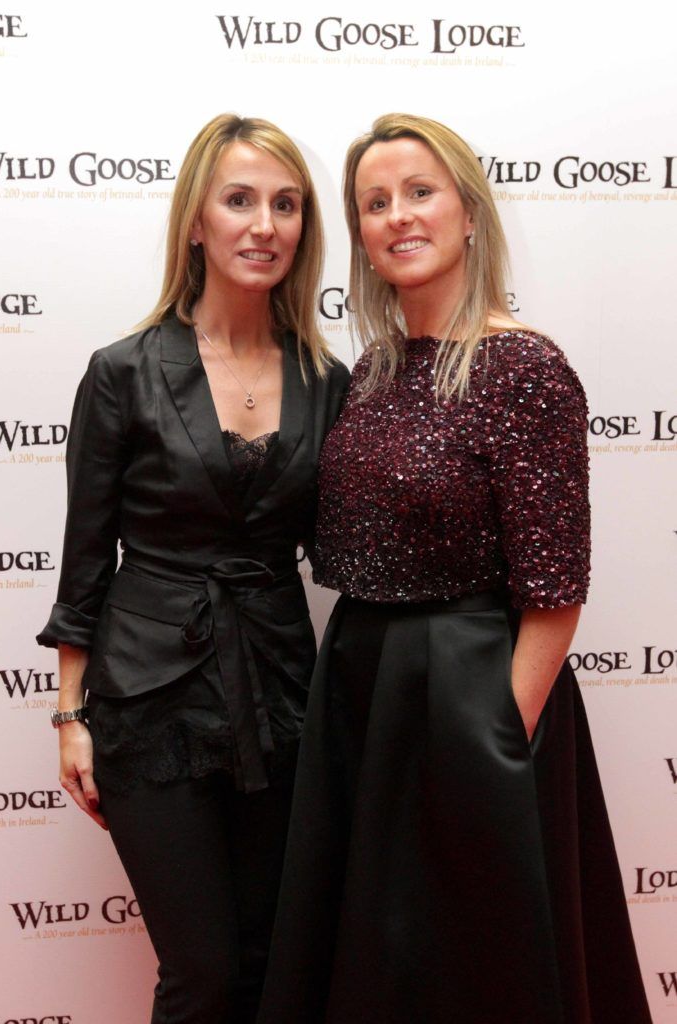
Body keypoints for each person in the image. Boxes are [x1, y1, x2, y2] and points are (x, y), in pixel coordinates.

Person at [257, 114, 651, 1024]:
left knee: (477, 962)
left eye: (419, 192)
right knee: (378, 958)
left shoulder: (524, 367)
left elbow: (554, 589)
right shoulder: (371, 370)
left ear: (469, 211)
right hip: (361, 687)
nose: (398, 215)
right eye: (374, 201)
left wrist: (494, 741)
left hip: (473, 691)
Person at [36, 113, 349, 1024]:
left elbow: (345, 546)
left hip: (282, 695)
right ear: (196, 224)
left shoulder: (325, 379)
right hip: (148, 704)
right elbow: (85, 557)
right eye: (240, 200)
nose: (264, 224)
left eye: (285, 205)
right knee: (203, 975)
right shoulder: (122, 372)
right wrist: (69, 714)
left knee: (267, 969)